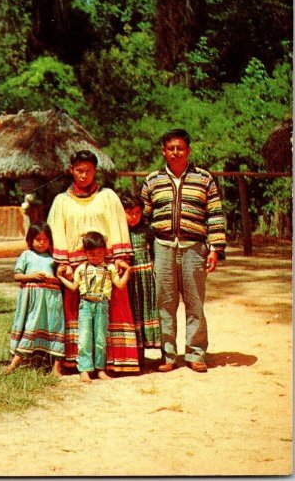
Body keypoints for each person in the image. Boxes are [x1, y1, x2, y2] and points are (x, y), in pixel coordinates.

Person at [140, 129, 226, 373]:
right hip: (163, 247)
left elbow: (215, 214)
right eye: (171, 148)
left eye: (180, 148)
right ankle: (168, 355)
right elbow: (144, 218)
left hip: (194, 248)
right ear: (163, 151)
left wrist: (215, 249)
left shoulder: (204, 179)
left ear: (188, 150)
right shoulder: (152, 181)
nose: (175, 152)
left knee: (195, 302)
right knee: (164, 303)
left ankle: (195, 353)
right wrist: (145, 248)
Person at [47, 149, 140, 375]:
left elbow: (118, 224)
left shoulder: (108, 197)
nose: (83, 175)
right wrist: (64, 263)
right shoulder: (61, 201)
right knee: (78, 314)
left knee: (111, 312)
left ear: (95, 171)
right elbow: (56, 231)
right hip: (77, 267)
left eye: (88, 171)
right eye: (79, 170)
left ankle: (112, 363)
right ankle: (78, 364)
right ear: (71, 170)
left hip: (105, 265)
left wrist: (120, 257)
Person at [57, 231, 131, 382]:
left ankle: (100, 369)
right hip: (85, 305)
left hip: (102, 305)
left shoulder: (109, 269)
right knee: (84, 338)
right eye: (91, 254)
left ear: (104, 251)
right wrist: (60, 277)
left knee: (100, 338)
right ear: (85, 253)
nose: (96, 256)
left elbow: (120, 285)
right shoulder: (81, 269)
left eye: (99, 253)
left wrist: (128, 270)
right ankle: (84, 370)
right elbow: (73, 287)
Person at [3, 222, 64, 376]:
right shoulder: (27, 255)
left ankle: (56, 367)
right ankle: (14, 364)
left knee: (55, 328)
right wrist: (32, 276)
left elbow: (61, 280)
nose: (41, 243)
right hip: (32, 301)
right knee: (31, 326)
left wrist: (52, 280)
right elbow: (17, 275)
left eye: (45, 239)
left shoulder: (54, 258)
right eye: (38, 239)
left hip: (51, 300)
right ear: (30, 240)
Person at [120, 192, 162, 363]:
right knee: (134, 313)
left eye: (137, 213)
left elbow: (154, 252)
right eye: (129, 212)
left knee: (149, 311)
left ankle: (160, 352)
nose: (133, 217)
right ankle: (137, 356)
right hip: (129, 279)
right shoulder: (119, 231)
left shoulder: (146, 230)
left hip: (145, 279)